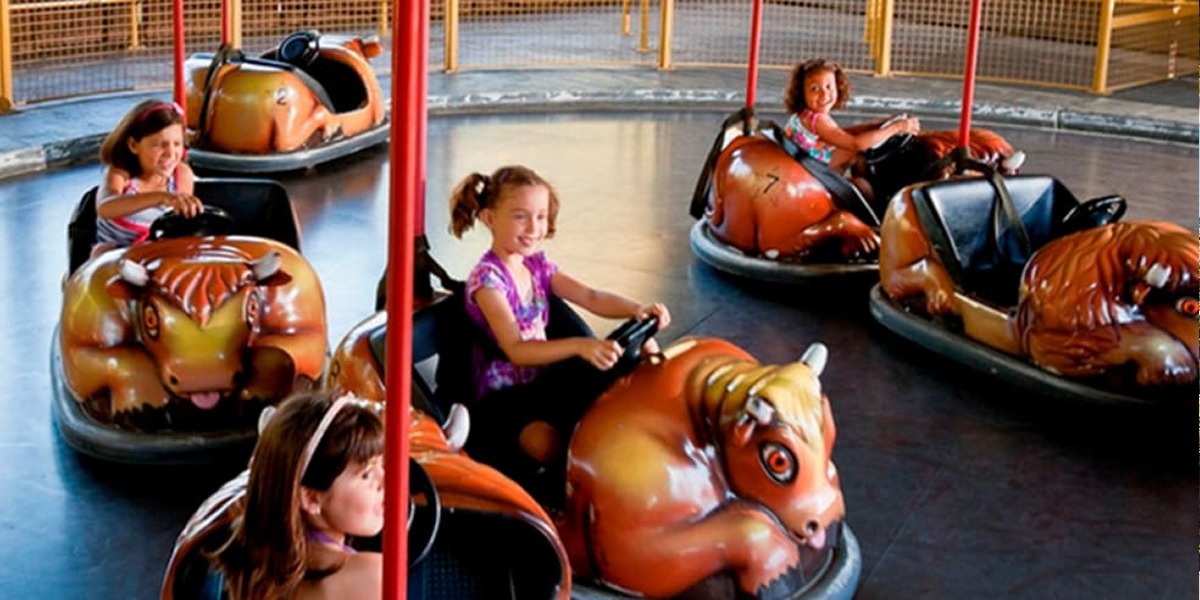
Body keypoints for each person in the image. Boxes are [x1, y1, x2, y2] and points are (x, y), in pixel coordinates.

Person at [447, 165, 671, 500]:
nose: (534, 228)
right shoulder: (488, 281)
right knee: (546, 445)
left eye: (540, 216)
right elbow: (517, 349)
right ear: (489, 219)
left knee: (641, 357)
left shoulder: (537, 265)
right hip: (503, 398)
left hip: (544, 380)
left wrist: (635, 309)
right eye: (521, 217)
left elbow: (590, 296)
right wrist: (581, 346)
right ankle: (570, 504)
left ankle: (648, 456)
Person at [214, 392, 385, 600]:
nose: (386, 481)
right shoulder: (372, 576)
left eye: (382, 465)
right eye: (366, 475)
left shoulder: (255, 567)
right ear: (311, 499)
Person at [783, 59, 920, 199]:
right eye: (815, 89)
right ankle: (872, 207)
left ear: (838, 87)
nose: (824, 95)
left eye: (829, 86)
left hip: (807, 167)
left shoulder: (806, 115)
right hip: (813, 176)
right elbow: (856, 143)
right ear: (801, 93)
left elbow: (840, 134)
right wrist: (897, 127)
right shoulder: (817, 121)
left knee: (857, 156)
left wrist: (877, 124)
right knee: (862, 183)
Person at [94, 99, 203, 251]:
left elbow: (180, 221)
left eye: (177, 144)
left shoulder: (182, 174)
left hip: (157, 250)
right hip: (116, 251)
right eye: (160, 145)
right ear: (133, 145)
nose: (171, 153)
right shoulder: (120, 172)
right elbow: (105, 207)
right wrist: (161, 197)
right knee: (101, 252)